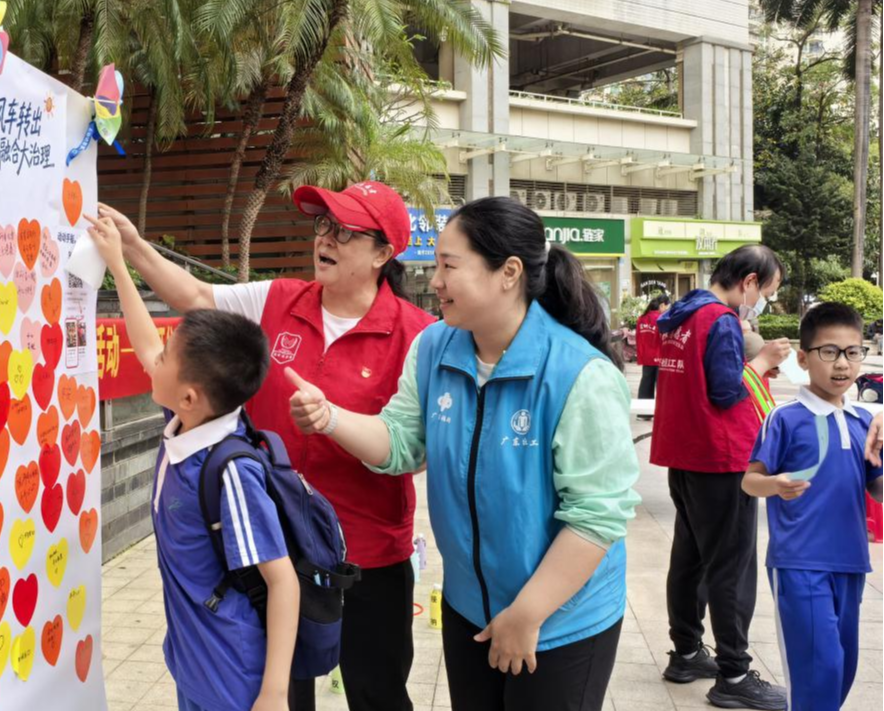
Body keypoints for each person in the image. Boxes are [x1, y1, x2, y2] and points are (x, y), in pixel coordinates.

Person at [285, 197, 641, 711]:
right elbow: (401, 441)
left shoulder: (579, 375)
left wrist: (527, 615)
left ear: (508, 273)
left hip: (561, 618)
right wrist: (331, 418)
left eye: (449, 266)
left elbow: (596, 517)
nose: (435, 282)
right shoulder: (435, 348)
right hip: (468, 607)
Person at [99, 180, 436, 711]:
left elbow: (413, 449)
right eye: (323, 224)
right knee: (282, 689)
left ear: (382, 254)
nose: (325, 238)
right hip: (274, 547)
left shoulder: (420, 335)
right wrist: (134, 247)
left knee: (377, 693)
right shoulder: (279, 298)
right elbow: (196, 297)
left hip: (368, 555)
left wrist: (332, 420)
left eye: (345, 231)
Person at [86, 212, 300, 711]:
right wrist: (118, 264)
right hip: (193, 659)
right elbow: (145, 343)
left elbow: (282, 581)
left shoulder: (231, 474)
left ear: (188, 396)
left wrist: (273, 694)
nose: (153, 360)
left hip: (232, 673)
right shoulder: (189, 421)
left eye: (166, 359)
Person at [651, 245, 792, 709]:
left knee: (690, 558)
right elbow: (727, 391)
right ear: (749, 281)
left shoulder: (680, 315)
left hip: (684, 454)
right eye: (767, 291)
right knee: (731, 566)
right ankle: (734, 675)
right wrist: (764, 360)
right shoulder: (721, 320)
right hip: (721, 458)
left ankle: (687, 652)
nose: (764, 301)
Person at [743, 302, 884, 711]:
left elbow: (877, 490)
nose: (842, 364)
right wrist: (775, 485)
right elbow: (750, 481)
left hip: (851, 562)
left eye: (852, 352)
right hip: (799, 562)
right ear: (804, 359)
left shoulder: (863, 421)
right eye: (829, 352)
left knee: (843, 666)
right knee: (817, 668)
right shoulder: (785, 418)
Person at [636, 294, 671, 413]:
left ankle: (643, 413)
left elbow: (639, 338)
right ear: (662, 305)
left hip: (646, 356)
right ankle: (662, 412)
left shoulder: (641, 318)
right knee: (660, 386)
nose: (667, 310)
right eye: (667, 307)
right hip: (659, 356)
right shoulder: (661, 319)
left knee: (646, 383)